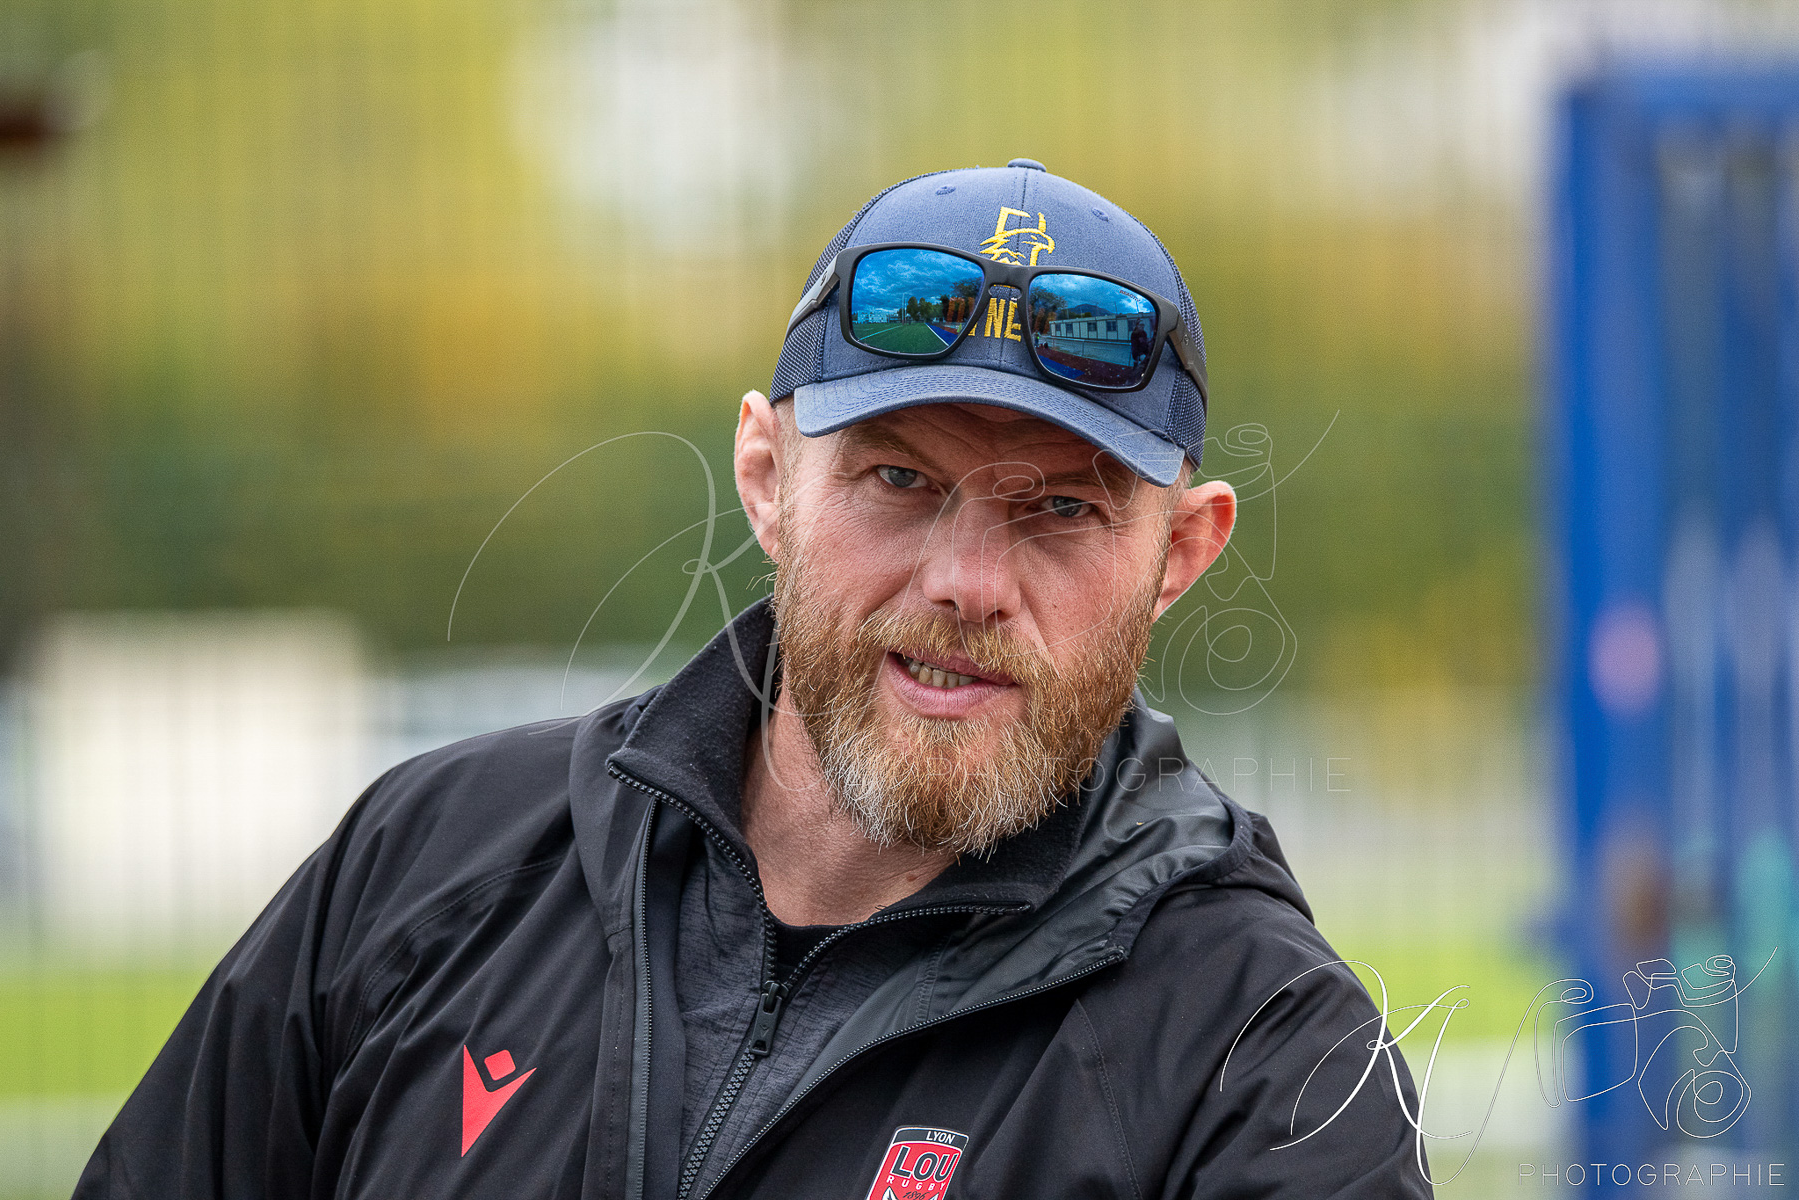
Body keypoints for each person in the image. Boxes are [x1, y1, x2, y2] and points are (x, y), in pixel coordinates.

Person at [75, 160, 1433, 1199]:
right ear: (769, 479)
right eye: (900, 479)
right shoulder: (425, 868)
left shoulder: (1265, 1061)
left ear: (1181, 553)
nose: (966, 579)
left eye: (1063, 512)